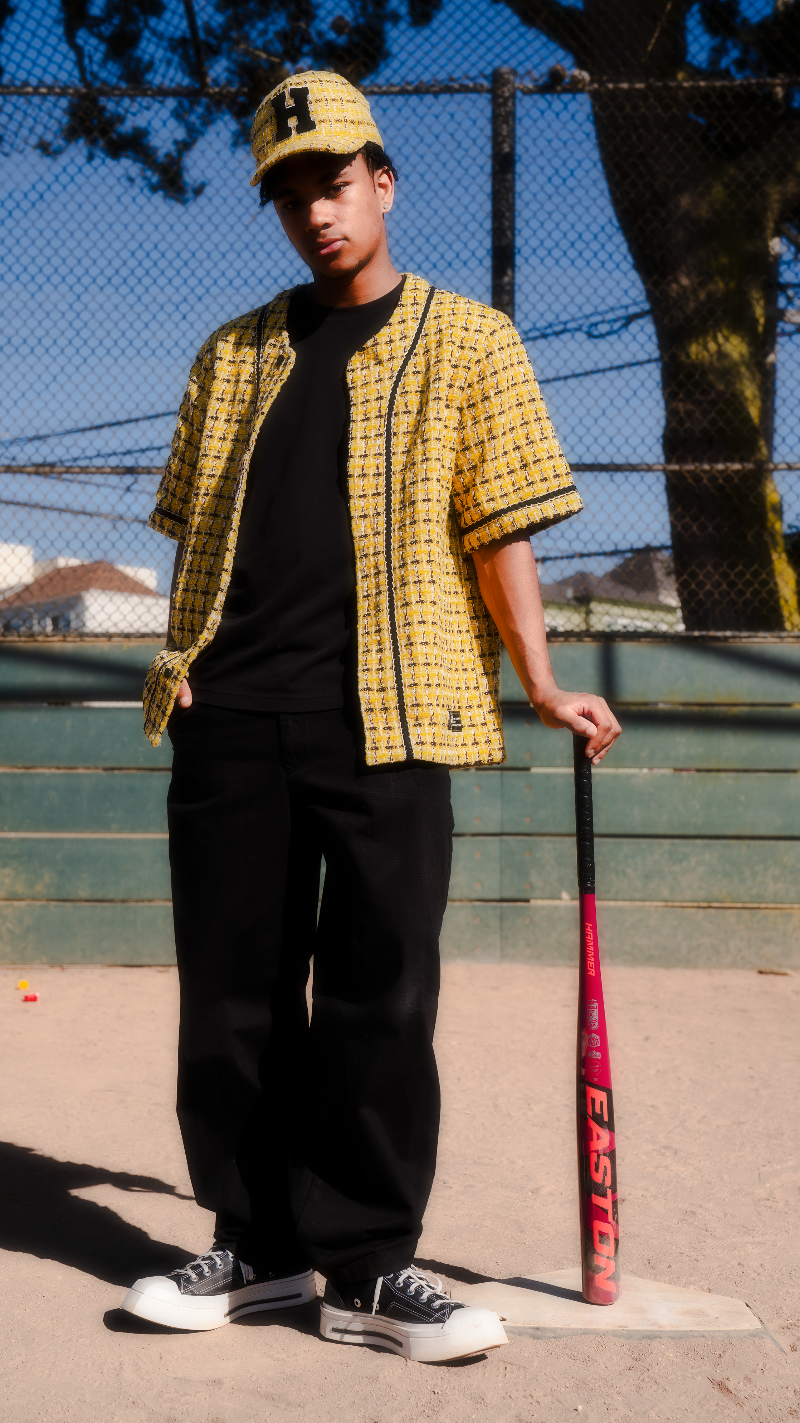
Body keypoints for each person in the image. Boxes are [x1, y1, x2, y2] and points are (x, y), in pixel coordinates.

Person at [121, 71, 621, 1362]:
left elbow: (502, 530)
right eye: (290, 195)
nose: (316, 214)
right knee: (230, 996)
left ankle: (371, 1265)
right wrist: (188, 665)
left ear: (384, 181)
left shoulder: (473, 342)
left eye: (334, 184)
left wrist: (544, 680)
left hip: (394, 719)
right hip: (232, 713)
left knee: (380, 997)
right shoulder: (230, 354)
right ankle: (256, 1246)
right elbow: (198, 535)